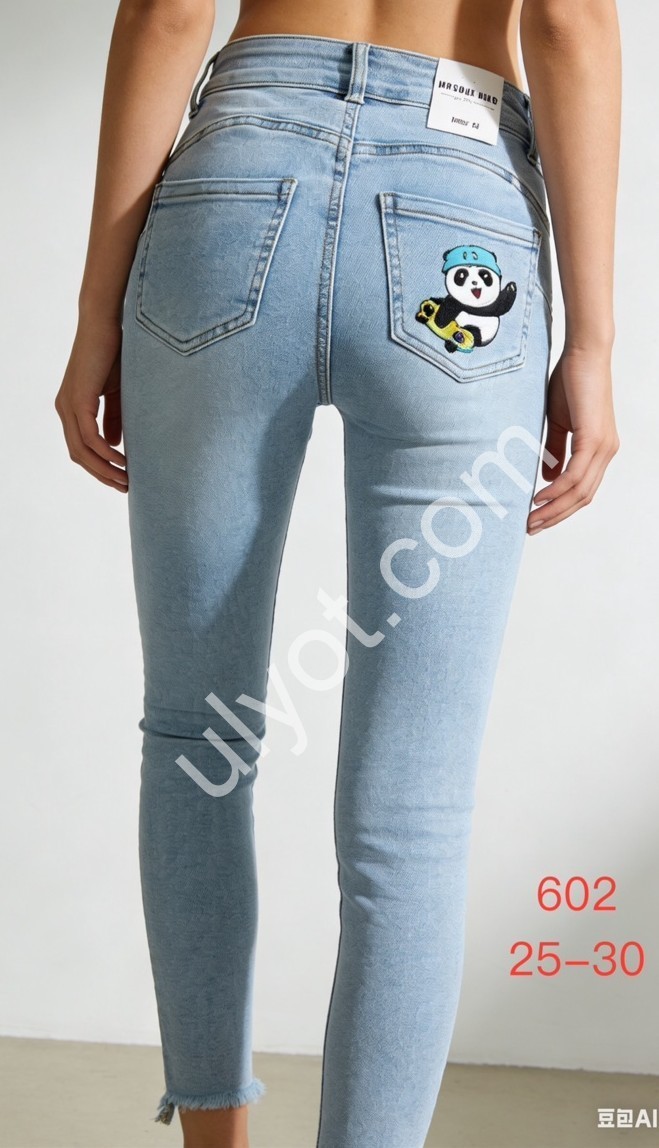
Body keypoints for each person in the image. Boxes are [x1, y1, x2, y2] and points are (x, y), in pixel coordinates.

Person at [54, 1, 621, 1146]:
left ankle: (212, 1135)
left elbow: (169, 12)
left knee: (196, 734)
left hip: (232, 191)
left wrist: (94, 311)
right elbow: (567, 22)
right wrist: (593, 345)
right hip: (458, 212)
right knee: (412, 801)